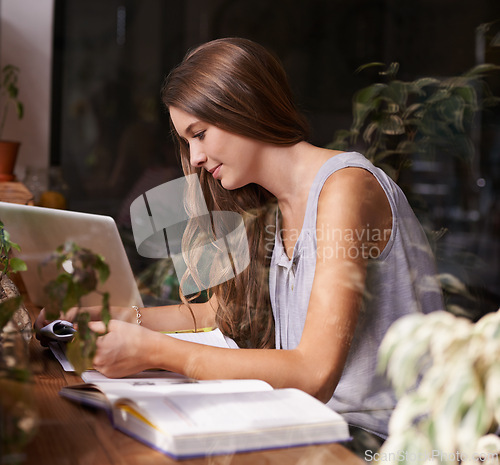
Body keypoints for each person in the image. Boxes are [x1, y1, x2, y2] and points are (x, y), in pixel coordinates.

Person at [36, 37, 444, 445]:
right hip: (310, 426)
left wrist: (156, 352)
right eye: (187, 141)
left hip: (382, 444)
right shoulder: (273, 206)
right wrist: (115, 318)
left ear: (242, 105)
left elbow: (315, 374)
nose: (194, 157)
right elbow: (215, 313)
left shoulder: (345, 188)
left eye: (200, 134)